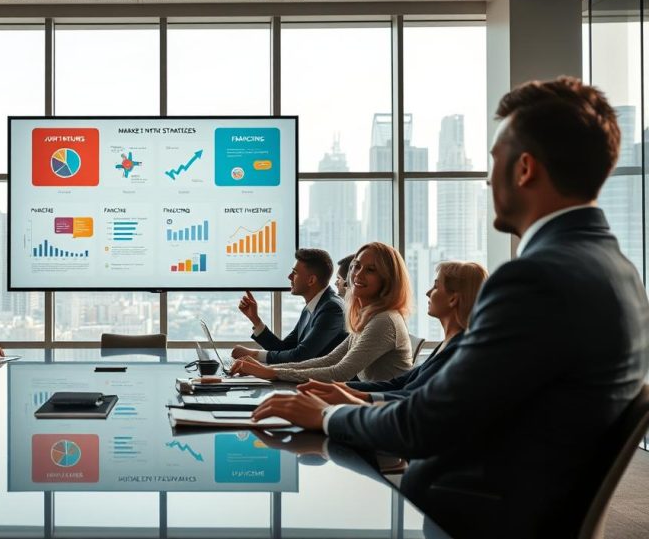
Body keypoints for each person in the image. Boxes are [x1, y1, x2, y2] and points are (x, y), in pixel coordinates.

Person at [251, 77, 649, 537]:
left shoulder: (537, 278)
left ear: (524, 169)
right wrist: (365, 397)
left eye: (494, 159)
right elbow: (465, 401)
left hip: (470, 517)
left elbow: (426, 425)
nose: (485, 176)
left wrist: (325, 416)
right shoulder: (615, 268)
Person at [302, 261, 487, 405]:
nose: (428, 292)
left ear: (454, 298)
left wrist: (353, 397)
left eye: (436, 286)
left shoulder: (460, 351)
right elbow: (398, 385)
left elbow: (413, 399)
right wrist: (341, 389)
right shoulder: (448, 344)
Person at [230, 242, 413, 383]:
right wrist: (265, 368)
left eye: (371, 270)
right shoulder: (368, 318)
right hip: (369, 405)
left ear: (387, 279)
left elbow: (339, 371)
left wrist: (270, 371)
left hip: (384, 412)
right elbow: (329, 360)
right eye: (356, 266)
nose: (358, 274)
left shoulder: (383, 321)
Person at [230, 248, 347, 363]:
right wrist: (255, 319)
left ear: (311, 280)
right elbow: (284, 348)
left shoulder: (331, 309)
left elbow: (301, 356)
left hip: (327, 381)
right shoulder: (313, 306)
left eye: (295, 273)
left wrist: (253, 355)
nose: (289, 277)